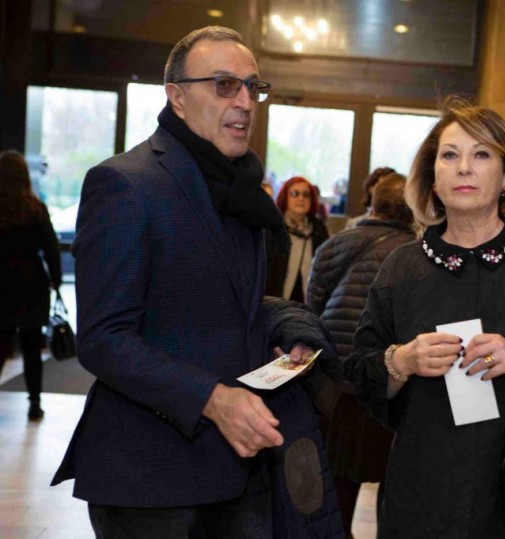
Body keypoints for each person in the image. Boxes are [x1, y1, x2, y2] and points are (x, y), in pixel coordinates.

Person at [51, 26, 342, 537]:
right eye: (224, 84)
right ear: (177, 97)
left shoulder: (242, 192)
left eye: (253, 87)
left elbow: (230, 303)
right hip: (149, 476)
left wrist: (290, 330)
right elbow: (103, 338)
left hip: (238, 471)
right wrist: (213, 399)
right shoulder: (125, 184)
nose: (245, 101)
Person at [344, 97, 505, 538]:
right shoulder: (402, 267)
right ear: (433, 178)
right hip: (419, 494)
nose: (464, 168)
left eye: (482, 154)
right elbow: (360, 373)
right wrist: (403, 360)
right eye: (450, 156)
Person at [307, 173, 414, 535]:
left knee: (339, 476)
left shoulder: (334, 243)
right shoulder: (413, 254)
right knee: (390, 475)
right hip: (388, 380)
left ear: (374, 204)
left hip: (336, 379)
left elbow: (312, 310)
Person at [0, 150, 62, 421]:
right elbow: (51, 249)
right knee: (32, 348)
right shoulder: (36, 208)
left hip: (2, 285)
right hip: (31, 285)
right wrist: (56, 280)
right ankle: (34, 403)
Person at [266, 176, 330, 302]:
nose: (301, 198)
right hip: (275, 302)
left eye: (306, 195)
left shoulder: (319, 229)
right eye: (295, 194)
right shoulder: (272, 227)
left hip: (309, 302)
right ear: (285, 198)